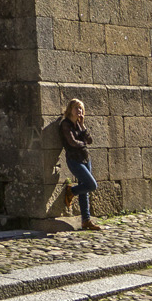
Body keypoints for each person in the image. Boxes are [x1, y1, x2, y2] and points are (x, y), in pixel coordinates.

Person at [56, 99, 100, 232]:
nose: (79, 111)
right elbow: (72, 142)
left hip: (86, 159)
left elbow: (90, 140)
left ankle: (86, 220)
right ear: (70, 109)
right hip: (74, 160)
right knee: (92, 185)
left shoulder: (79, 124)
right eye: (76, 108)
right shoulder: (65, 124)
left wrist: (83, 125)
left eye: (81, 108)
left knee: (85, 191)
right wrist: (83, 143)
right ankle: (72, 191)